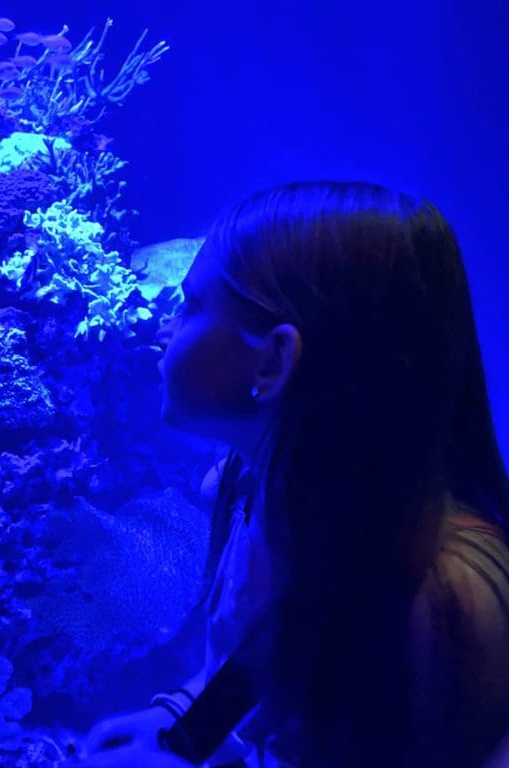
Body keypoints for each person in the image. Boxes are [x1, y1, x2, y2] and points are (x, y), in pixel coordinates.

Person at [76, 181, 509, 767]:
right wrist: (187, 724)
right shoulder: (259, 488)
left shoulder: (442, 609)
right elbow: (282, 636)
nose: (165, 329)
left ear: (273, 361)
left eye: (190, 306)